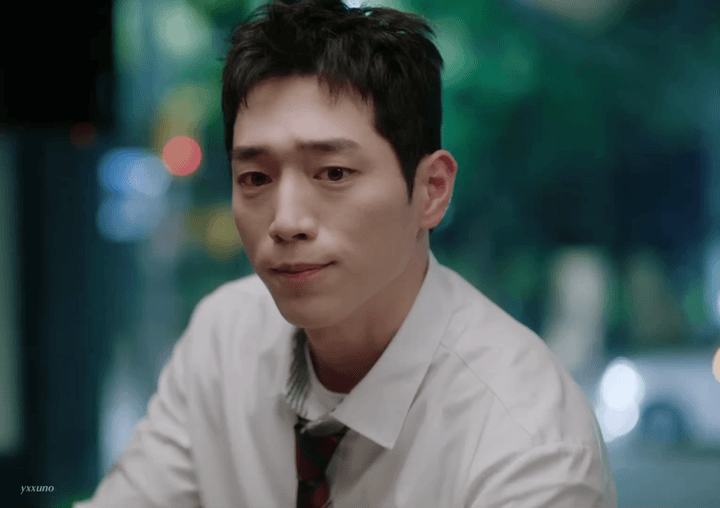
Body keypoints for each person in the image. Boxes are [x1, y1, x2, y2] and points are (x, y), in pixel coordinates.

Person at [76, 0, 618, 506]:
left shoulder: (529, 445)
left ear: (431, 190)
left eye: (334, 173)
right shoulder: (225, 340)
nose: (286, 221)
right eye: (256, 177)